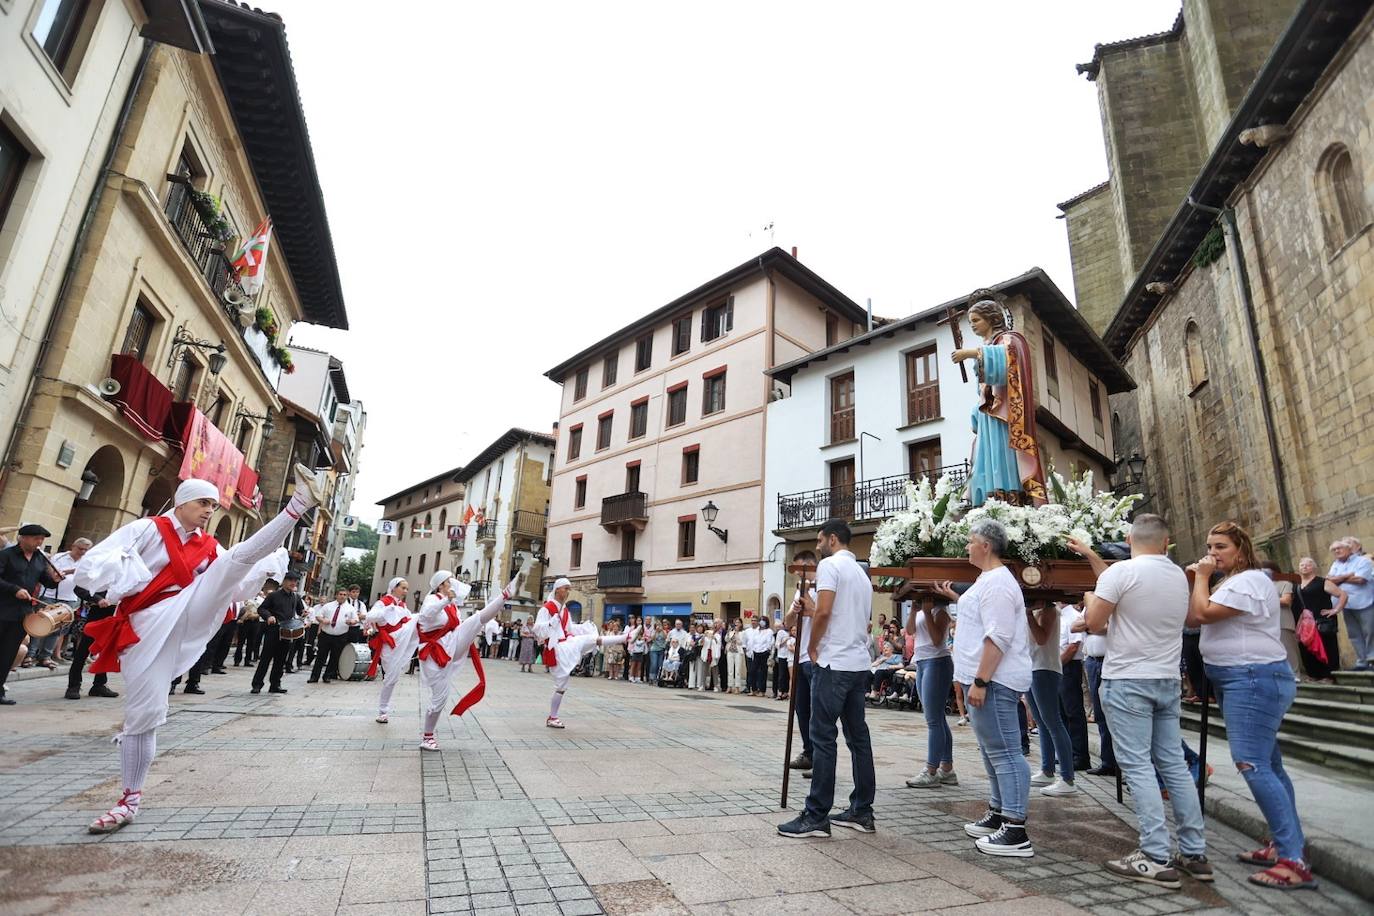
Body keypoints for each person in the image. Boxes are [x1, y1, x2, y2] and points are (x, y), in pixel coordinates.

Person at [75, 468, 323, 833]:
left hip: (188, 610)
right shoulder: (145, 529)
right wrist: (116, 580)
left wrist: (261, 571)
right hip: (147, 624)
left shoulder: (209, 545)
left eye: (212, 504)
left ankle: (297, 505)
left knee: (236, 559)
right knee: (143, 715)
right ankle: (130, 800)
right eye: (203, 502)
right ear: (182, 502)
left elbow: (236, 590)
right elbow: (95, 567)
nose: (209, 510)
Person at [1070, 516, 1209, 889]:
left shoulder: (1121, 573)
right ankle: (1194, 852)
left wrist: (1087, 608)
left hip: (1128, 676)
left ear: (1129, 539)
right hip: (1165, 677)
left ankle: (1154, 854)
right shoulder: (1179, 575)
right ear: (1166, 543)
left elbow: (1097, 623)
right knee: (1173, 765)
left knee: (1137, 766)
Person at [1188, 521, 1313, 890]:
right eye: (1210, 545)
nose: (1213, 552)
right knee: (1268, 764)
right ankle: (1286, 845)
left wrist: (1201, 578)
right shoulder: (1231, 582)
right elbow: (1194, 616)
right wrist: (1198, 579)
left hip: (1253, 678)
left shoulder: (1251, 580)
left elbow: (1206, 614)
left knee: (1252, 763)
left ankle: (1293, 860)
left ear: (1241, 549)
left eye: (1221, 546)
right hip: (1240, 678)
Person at [778, 519, 876, 839]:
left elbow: (824, 612)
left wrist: (811, 645)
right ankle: (862, 809)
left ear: (832, 539)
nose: (818, 546)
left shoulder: (830, 566)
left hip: (834, 663)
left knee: (823, 739)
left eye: (820, 540)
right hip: (858, 662)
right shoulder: (862, 573)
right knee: (858, 738)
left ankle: (816, 814)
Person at [942, 518, 1034, 857]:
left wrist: (981, 681)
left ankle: (1015, 828)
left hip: (994, 680)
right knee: (991, 750)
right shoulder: (987, 580)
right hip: (982, 679)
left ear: (985, 545)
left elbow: (998, 636)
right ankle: (999, 812)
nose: (966, 546)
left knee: (1007, 752)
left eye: (970, 540)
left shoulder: (997, 583)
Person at [949, 289, 1046, 507]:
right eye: (971, 321)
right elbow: (986, 386)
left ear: (991, 318)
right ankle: (988, 501)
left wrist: (972, 353)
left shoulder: (1009, 339)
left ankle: (1010, 499)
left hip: (1005, 416)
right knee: (985, 457)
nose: (972, 325)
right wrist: (977, 407)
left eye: (976, 320)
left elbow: (1007, 362)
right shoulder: (990, 344)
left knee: (1003, 456)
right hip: (988, 413)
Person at [416, 569, 523, 750]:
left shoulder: (452, 605)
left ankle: (504, 595)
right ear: (441, 585)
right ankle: (427, 736)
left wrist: (449, 602)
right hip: (436, 653)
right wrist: (445, 600)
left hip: (452, 643)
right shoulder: (432, 600)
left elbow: (455, 624)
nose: (452, 583)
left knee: (476, 619)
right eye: (449, 581)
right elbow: (426, 615)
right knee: (440, 698)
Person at [534, 577, 628, 727]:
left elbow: (569, 629)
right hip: (558, 649)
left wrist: (583, 626)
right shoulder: (547, 608)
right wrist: (550, 623)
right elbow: (538, 629)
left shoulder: (564, 610)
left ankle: (553, 717)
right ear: (557, 589)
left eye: (569, 589)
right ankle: (623, 638)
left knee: (561, 687)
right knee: (585, 642)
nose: (568, 591)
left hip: (566, 645)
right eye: (566, 588)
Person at [0, 524, 64, 703]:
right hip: (2, 608)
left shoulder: (39, 559)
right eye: (37, 538)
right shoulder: (6, 555)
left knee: (9, 652)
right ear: (24, 538)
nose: (40, 542)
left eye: (42, 539)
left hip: (22, 613)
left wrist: (55, 580)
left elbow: (46, 582)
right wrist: (14, 589)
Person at [902, 594, 958, 788]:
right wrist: (915, 611)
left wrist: (926, 612)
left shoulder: (941, 611)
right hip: (923, 661)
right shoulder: (922, 610)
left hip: (937, 661)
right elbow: (909, 631)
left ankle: (931, 771)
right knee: (937, 718)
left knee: (934, 720)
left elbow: (936, 640)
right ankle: (947, 769)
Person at [1024, 602, 1077, 797]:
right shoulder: (1039, 608)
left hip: (1045, 669)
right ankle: (1047, 770)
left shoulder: (1049, 609)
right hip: (1033, 667)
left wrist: (1028, 614)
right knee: (1043, 723)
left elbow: (1041, 638)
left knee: (1053, 722)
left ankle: (1067, 778)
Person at [31, 538, 90, 669]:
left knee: (57, 629)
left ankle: (46, 656)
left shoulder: (86, 561)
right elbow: (51, 573)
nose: (83, 552)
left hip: (71, 597)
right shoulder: (60, 557)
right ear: (73, 546)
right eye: (81, 549)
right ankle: (30, 654)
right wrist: (72, 571)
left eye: (86, 550)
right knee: (40, 625)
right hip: (50, 595)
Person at [364, 577, 415, 723]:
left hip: (401, 640)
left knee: (393, 677)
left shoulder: (404, 606)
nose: (405, 591)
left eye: (406, 589)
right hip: (388, 641)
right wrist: (387, 610)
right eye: (403, 588)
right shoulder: (383, 602)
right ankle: (383, 710)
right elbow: (370, 616)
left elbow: (410, 620)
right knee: (390, 676)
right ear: (393, 587)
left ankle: (383, 711)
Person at [1293, 557, 1346, 681]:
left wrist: (1336, 609)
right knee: (1307, 648)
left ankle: (1330, 675)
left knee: (1327, 647)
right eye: (1301, 565)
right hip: (1306, 623)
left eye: (1308, 564)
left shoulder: (1322, 582)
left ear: (1314, 567)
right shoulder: (1297, 586)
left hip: (1322, 620)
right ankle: (1314, 674)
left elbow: (1342, 594)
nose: (1304, 567)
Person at [252, 571, 305, 694]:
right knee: (265, 659)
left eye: (295, 581)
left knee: (280, 661)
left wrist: (303, 613)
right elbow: (261, 608)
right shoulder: (273, 595)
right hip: (273, 631)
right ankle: (257, 684)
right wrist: (269, 616)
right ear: (284, 581)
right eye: (290, 580)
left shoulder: (296, 597)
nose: (293, 583)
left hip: (287, 633)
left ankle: (275, 684)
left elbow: (300, 610)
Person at [65, 583, 119, 700]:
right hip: (97, 612)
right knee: (83, 650)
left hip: (115, 613)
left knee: (106, 651)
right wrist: (98, 599)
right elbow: (79, 588)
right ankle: (73, 685)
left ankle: (99, 685)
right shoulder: (99, 568)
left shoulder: (126, 571)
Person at [1082, 604, 1117, 777]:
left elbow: (1106, 627)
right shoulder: (1091, 605)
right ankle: (1108, 761)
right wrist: (1092, 625)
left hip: (1108, 660)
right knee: (1100, 714)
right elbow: (1077, 625)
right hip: (1092, 660)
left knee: (1112, 713)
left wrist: (1091, 626)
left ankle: (1118, 762)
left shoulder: (1108, 602)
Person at [1327, 538, 1372, 669]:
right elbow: (1329, 581)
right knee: (1354, 633)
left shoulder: (1363, 561)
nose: (1337, 551)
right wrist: (1347, 576)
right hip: (1345, 604)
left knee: (1370, 631)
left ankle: (1372, 659)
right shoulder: (1335, 564)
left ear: (1349, 549)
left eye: (1339, 548)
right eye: (1334, 550)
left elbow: (1361, 579)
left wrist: (1339, 579)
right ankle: (1362, 661)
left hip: (1364, 601)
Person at [1262, 561, 1302, 682]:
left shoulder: (1285, 583)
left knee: (1289, 649)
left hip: (1283, 621)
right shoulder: (1260, 586)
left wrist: (1264, 599)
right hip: (1266, 623)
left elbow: (1286, 601)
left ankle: (1295, 674)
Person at [310, 587, 356, 684]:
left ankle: (327, 676)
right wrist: (323, 620)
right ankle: (314, 677)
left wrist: (351, 621)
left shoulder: (350, 608)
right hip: (326, 634)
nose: (342, 596)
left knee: (334, 657)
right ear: (336, 595)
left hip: (340, 635)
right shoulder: (328, 606)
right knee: (320, 656)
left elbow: (355, 619)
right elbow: (318, 616)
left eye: (344, 595)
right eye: (340, 594)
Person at [234, 588, 264, 667]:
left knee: (251, 642)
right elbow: (243, 609)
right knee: (241, 642)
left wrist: (256, 615)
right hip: (245, 622)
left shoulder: (261, 600)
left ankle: (248, 660)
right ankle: (237, 660)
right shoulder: (246, 598)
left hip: (255, 622)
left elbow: (263, 610)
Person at [774, 622, 793, 700]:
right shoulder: (781, 632)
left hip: (790, 656)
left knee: (787, 675)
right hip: (782, 655)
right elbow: (777, 645)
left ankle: (786, 692)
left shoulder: (792, 632)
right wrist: (785, 641)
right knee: (781, 674)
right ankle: (780, 691)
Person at [726, 619, 745, 693]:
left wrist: (736, 633)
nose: (736, 624)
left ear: (741, 624)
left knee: (737, 670)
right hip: (730, 651)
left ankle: (737, 687)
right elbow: (726, 640)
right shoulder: (731, 632)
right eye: (735, 623)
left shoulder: (742, 633)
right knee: (730, 670)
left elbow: (740, 642)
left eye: (738, 623)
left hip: (738, 652)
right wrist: (728, 632)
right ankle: (730, 686)